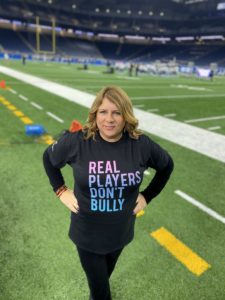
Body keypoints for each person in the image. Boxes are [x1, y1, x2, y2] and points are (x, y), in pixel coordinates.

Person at [43, 86, 174, 300]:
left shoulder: (141, 145)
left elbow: (167, 166)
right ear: (95, 114)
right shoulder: (78, 141)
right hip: (87, 236)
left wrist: (147, 196)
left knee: (103, 280)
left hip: (120, 234)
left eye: (117, 112)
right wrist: (61, 190)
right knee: (100, 292)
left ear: (126, 115)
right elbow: (49, 158)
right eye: (103, 112)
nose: (109, 119)